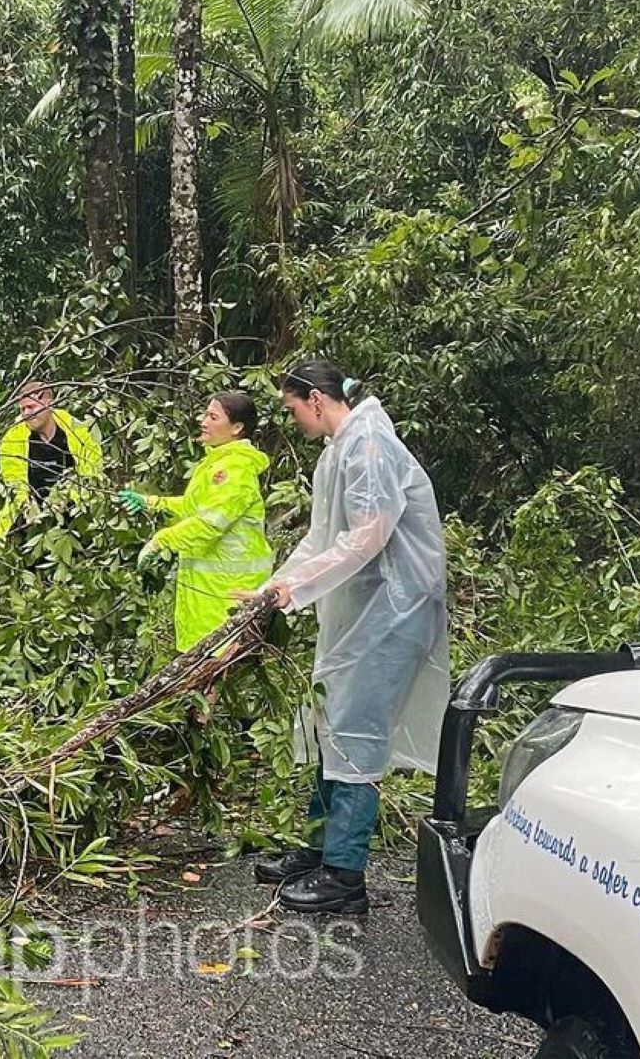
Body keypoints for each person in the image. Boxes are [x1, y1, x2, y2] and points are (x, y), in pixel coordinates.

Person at [249, 361, 449, 915]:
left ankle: (344, 875)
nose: (292, 419)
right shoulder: (341, 449)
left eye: (292, 408)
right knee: (331, 723)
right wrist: (277, 586)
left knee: (355, 734)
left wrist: (298, 587)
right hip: (362, 612)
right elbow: (321, 538)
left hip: (392, 612)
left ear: (316, 398)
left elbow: (367, 537)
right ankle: (320, 848)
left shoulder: (369, 447)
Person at [116, 391, 273, 653]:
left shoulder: (235, 470)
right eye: (205, 414)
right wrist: (151, 503)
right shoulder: (216, 463)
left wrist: (160, 541)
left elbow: (210, 524)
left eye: (213, 417)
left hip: (227, 592)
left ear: (236, 428)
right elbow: (193, 509)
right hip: (207, 591)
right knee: (201, 671)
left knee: (213, 670)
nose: (203, 421)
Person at [0, 381, 103, 539]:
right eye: (23, 409)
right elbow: (13, 479)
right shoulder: (14, 437)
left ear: (48, 404)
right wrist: (26, 505)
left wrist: (69, 497)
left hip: (74, 508)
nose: (26, 413)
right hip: (31, 513)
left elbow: (91, 471)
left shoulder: (76, 429)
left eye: (31, 407)